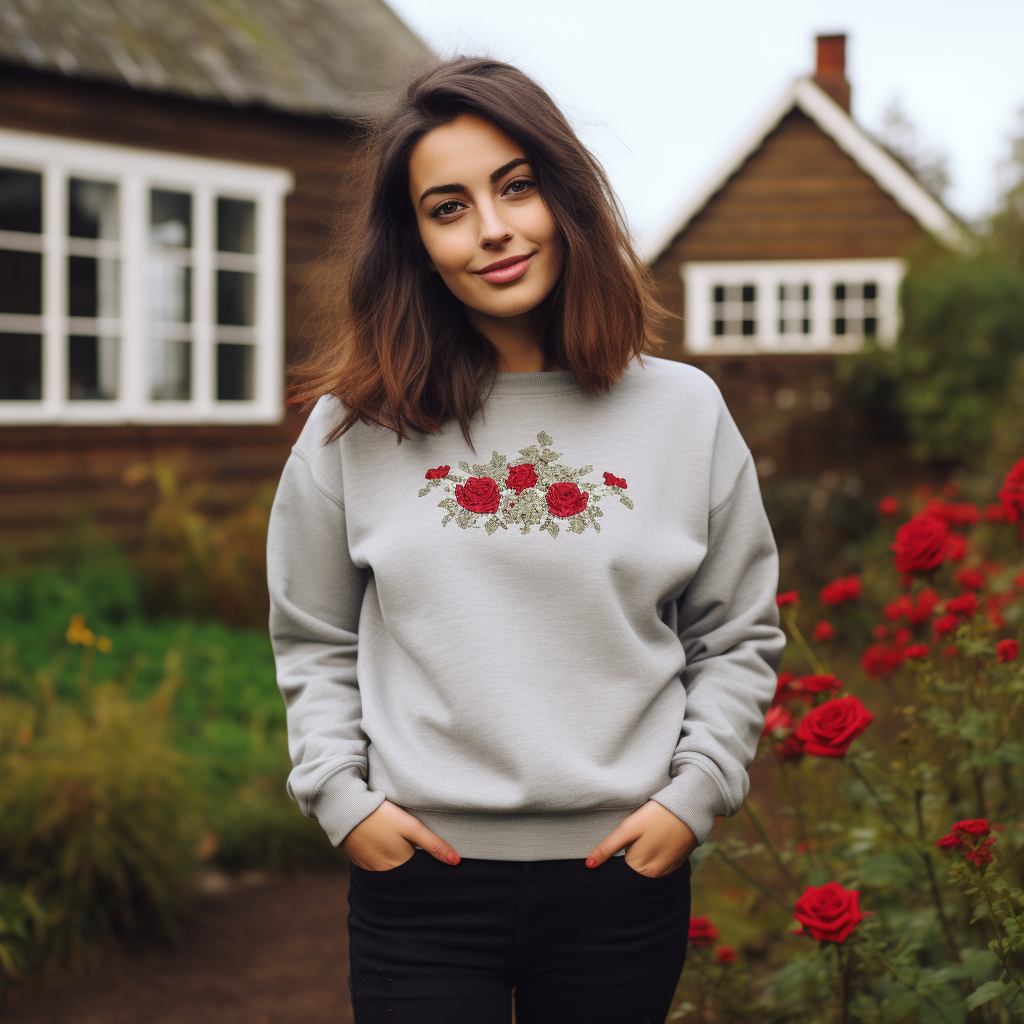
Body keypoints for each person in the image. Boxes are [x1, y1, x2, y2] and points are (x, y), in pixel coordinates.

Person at [267, 56, 785, 1024]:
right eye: (447, 206)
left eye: (515, 187)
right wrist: (343, 797)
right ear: (415, 242)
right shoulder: (356, 425)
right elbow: (314, 636)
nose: (493, 230)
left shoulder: (684, 411)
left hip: (621, 881)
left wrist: (693, 793)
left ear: (566, 196)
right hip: (418, 884)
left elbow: (735, 634)